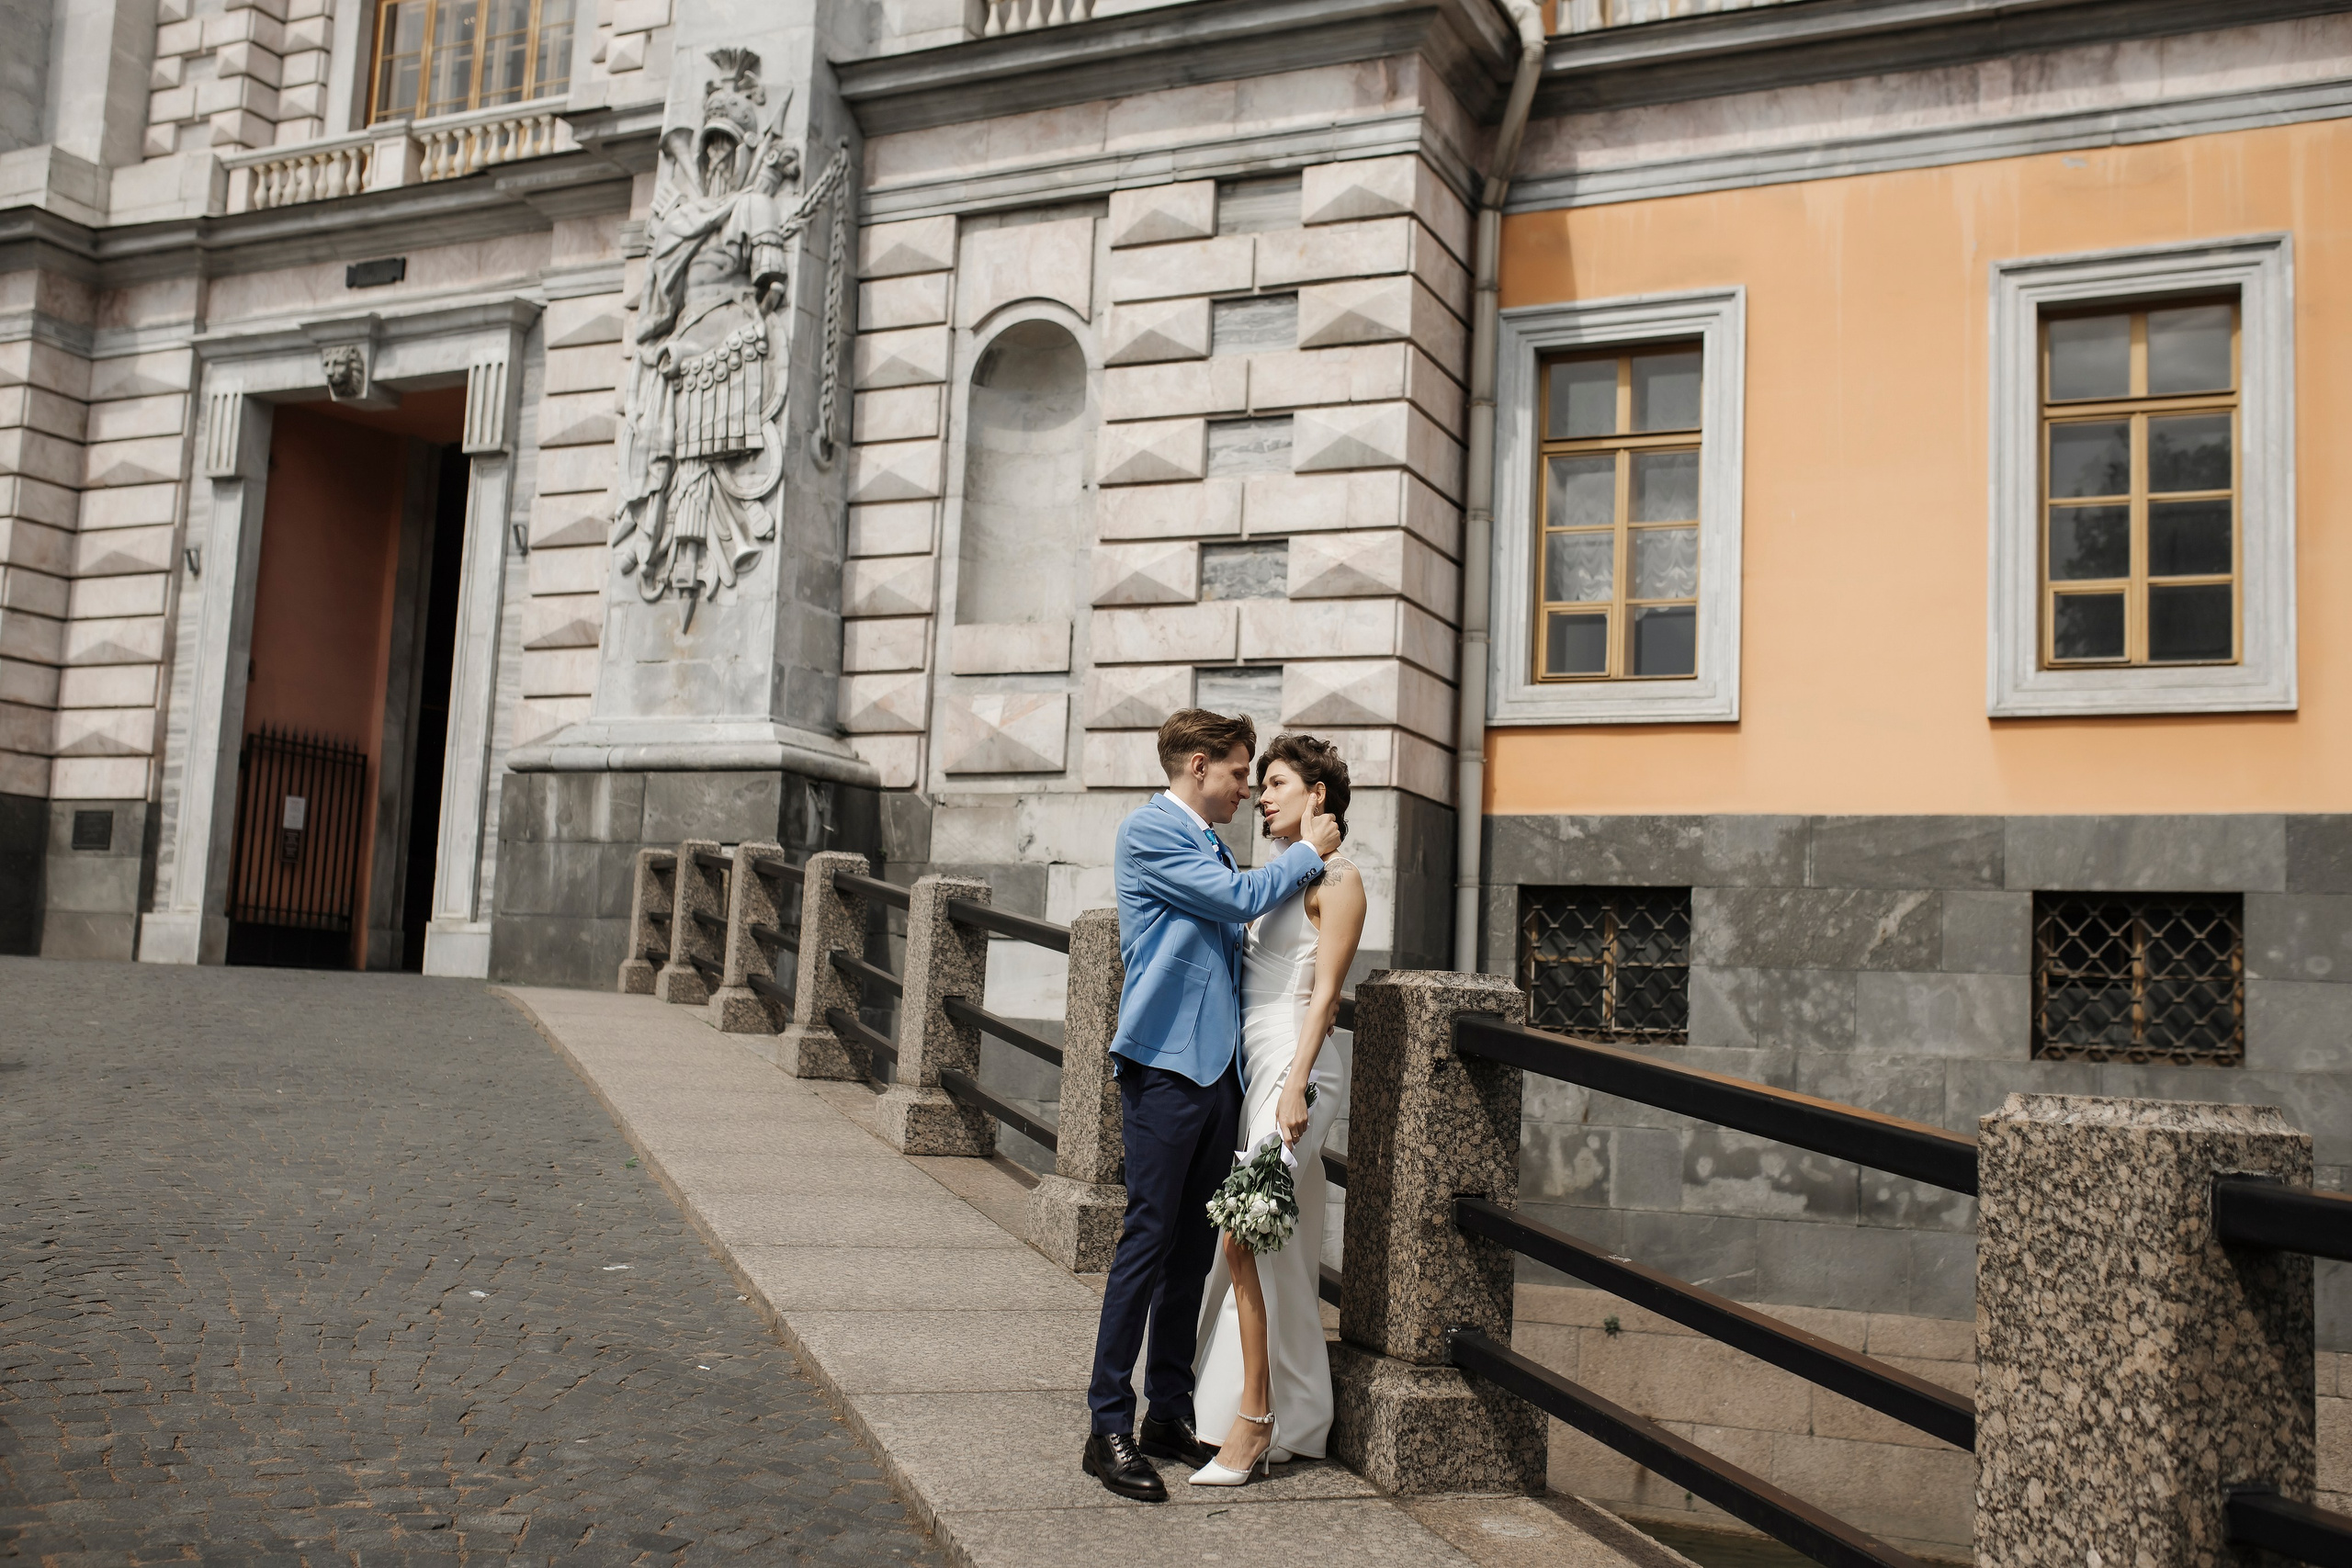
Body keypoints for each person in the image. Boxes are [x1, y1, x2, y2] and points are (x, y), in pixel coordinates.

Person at [1080, 710, 1343, 1504]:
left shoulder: (1205, 840)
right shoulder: (1151, 833)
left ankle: (1167, 1411)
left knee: (1191, 1258)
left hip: (1220, 1073)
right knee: (1146, 1240)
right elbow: (1235, 903)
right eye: (1237, 773)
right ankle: (1106, 1425)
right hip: (1164, 1068)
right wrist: (1307, 852)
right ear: (1199, 766)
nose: (1244, 788)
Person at [1187, 735, 1364, 1483]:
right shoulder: (1272, 874)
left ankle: (1255, 1421)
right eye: (1259, 784)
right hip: (1257, 1072)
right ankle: (1294, 1416)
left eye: (1278, 782)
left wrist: (1295, 1085)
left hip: (1300, 1074)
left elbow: (1324, 997)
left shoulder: (1340, 878)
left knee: (1243, 1232)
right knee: (1279, 1253)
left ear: (1317, 794)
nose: (1261, 795)